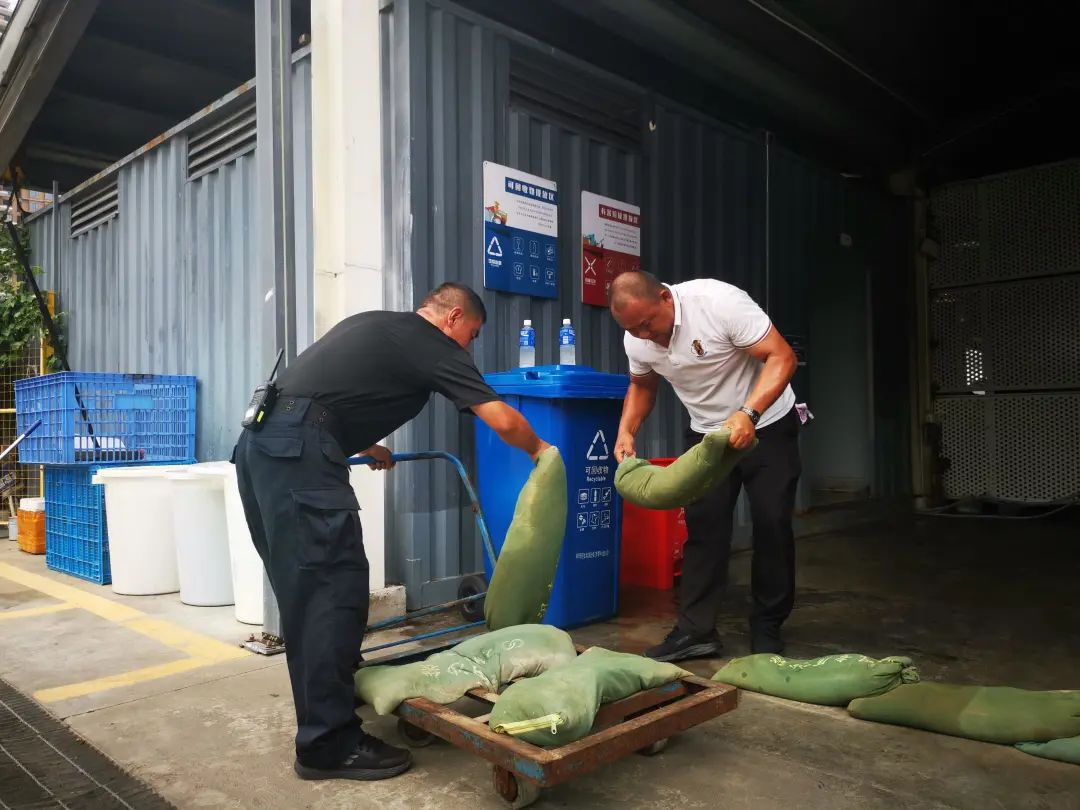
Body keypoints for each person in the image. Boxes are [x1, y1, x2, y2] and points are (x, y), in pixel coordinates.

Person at [233, 283, 551, 782]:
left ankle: (332, 705)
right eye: (471, 334)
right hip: (299, 454)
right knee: (331, 594)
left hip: (261, 448)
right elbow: (499, 418)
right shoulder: (432, 342)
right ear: (453, 317)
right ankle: (328, 745)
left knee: (306, 595)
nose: (468, 346)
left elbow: (327, 394)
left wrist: (367, 444)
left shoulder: (376, 323)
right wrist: (541, 451)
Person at [609, 270, 799, 661]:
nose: (644, 335)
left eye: (647, 324)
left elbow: (781, 356)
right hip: (707, 434)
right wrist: (627, 430)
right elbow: (643, 385)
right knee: (703, 527)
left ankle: (767, 627)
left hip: (767, 423)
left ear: (665, 297)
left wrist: (748, 413)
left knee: (771, 523)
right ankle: (696, 631)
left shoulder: (718, 303)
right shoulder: (637, 338)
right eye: (633, 329)